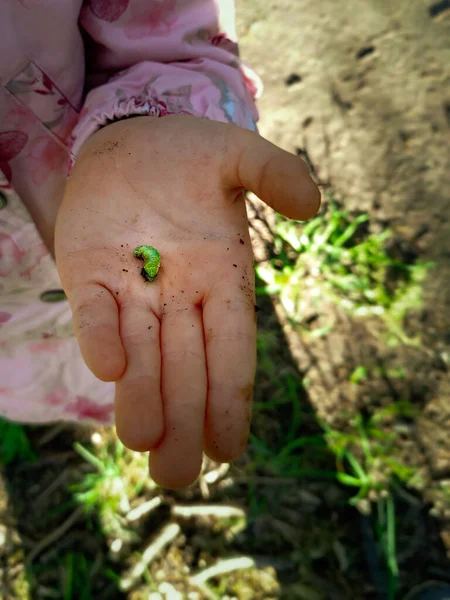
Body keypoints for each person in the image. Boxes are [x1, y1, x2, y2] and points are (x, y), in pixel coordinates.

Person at [0, 0, 320, 489]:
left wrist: (147, 121)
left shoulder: (138, 256)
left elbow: (172, 33)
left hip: (82, 237)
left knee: (119, 345)